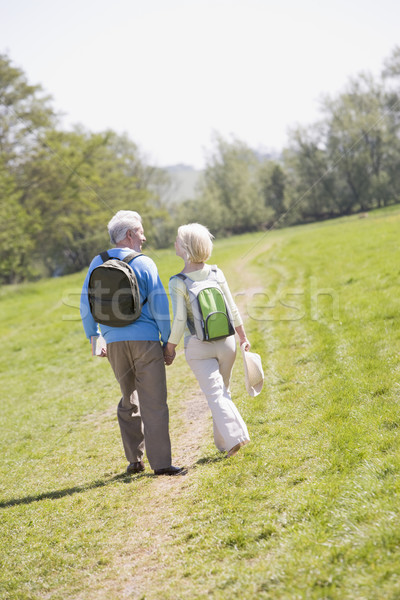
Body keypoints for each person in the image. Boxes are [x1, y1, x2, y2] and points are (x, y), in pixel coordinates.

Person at [80, 210, 184, 476]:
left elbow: (86, 305)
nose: (144, 236)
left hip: (113, 343)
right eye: (140, 231)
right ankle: (161, 464)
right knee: (154, 402)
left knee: (128, 398)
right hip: (145, 341)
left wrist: (96, 339)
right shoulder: (144, 262)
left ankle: (134, 460)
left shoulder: (96, 262)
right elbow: (160, 306)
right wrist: (167, 343)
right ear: (129, 234)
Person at [164, 223, 250, 458]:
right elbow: (232, 309)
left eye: (177, 240)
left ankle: (236, 439)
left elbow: (180, 320)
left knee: (215, 394)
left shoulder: (177, 281)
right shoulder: (216, 272)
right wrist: (242, 337)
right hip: (227, 342)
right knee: (223, 392)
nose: (174, 243)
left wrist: (169, 348)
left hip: (198, 345)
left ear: (184, 248)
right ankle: (224, 444)